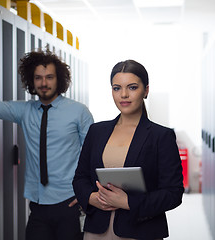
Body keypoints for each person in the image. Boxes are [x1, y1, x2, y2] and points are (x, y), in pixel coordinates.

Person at [0, 49, 94, 240]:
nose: (44, 83)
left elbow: (93, 154)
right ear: (31, 81)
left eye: (49, 77)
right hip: (38, 205)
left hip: (70, 203)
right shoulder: (25, 111)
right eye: (38, 78)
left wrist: (87, 194)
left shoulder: (79, 112)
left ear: (59, 79)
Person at [72, 60, 184, 240]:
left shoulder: (161, 136)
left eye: (132, 87)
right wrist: (91, 198)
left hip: (140, 231)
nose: (123, 94)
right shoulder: (97, 131)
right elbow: (80, 178)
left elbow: (173, 193)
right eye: (117, 88)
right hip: (97, 230)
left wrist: (128, 202)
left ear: (146, 90)